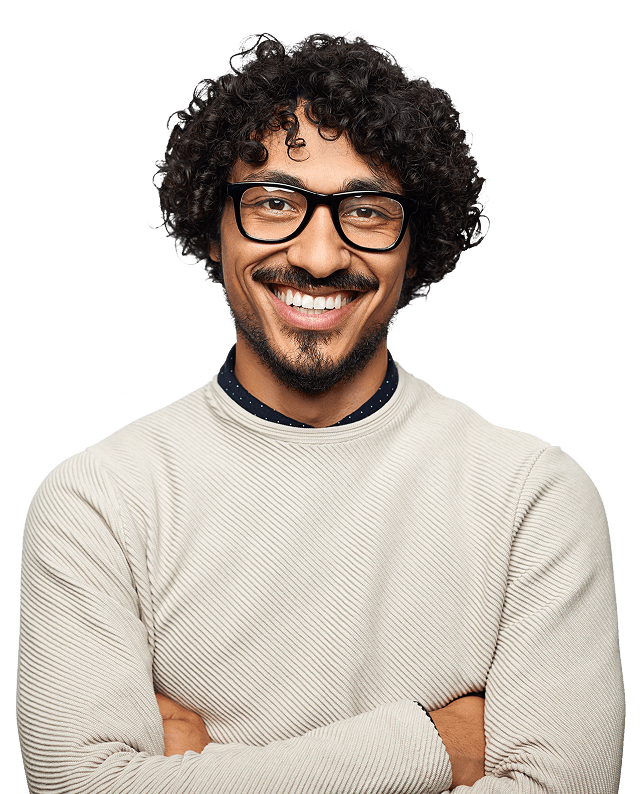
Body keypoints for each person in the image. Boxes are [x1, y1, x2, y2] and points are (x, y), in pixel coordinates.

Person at [16, 31, 624, 794]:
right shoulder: (96, 502)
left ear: (417, 243)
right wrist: (433, 745)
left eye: (367, 211)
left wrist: (200, 776)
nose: (320, 256)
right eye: (275, 203)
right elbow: (81, 786)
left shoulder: (532, 499)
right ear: (212, 226)